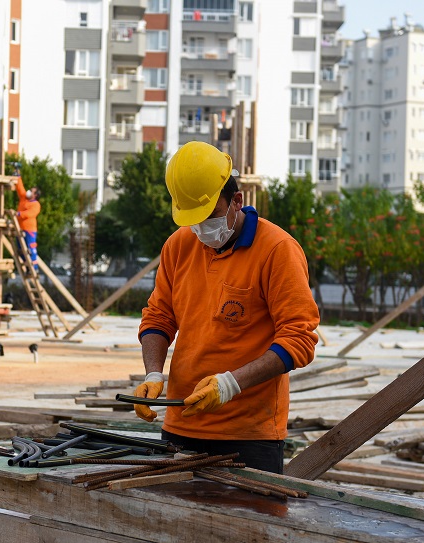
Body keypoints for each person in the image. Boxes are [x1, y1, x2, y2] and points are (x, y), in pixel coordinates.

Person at [132, 141, 320, 473]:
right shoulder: (178, 246)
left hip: (249, 436)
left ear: (237, 201)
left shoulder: (277, 250)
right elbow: (159, 317)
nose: (201, 229)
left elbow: (299, 340)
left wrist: (231, 384)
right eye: (193, 220)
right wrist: (153, 373)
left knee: (250, 523)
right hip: (181, 425)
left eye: (210, 217)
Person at [14, 175, 41, 272]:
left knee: (31, 249)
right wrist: (18, 177)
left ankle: (34, 268)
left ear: (35, 195)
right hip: (20, 229)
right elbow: (20, 189)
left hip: (29, 230)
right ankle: (27, 266)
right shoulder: (24, 199)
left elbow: (29, 214)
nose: (29, 192)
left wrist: (19, 214)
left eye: (32, 191)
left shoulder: (36, 205)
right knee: (21, 249)